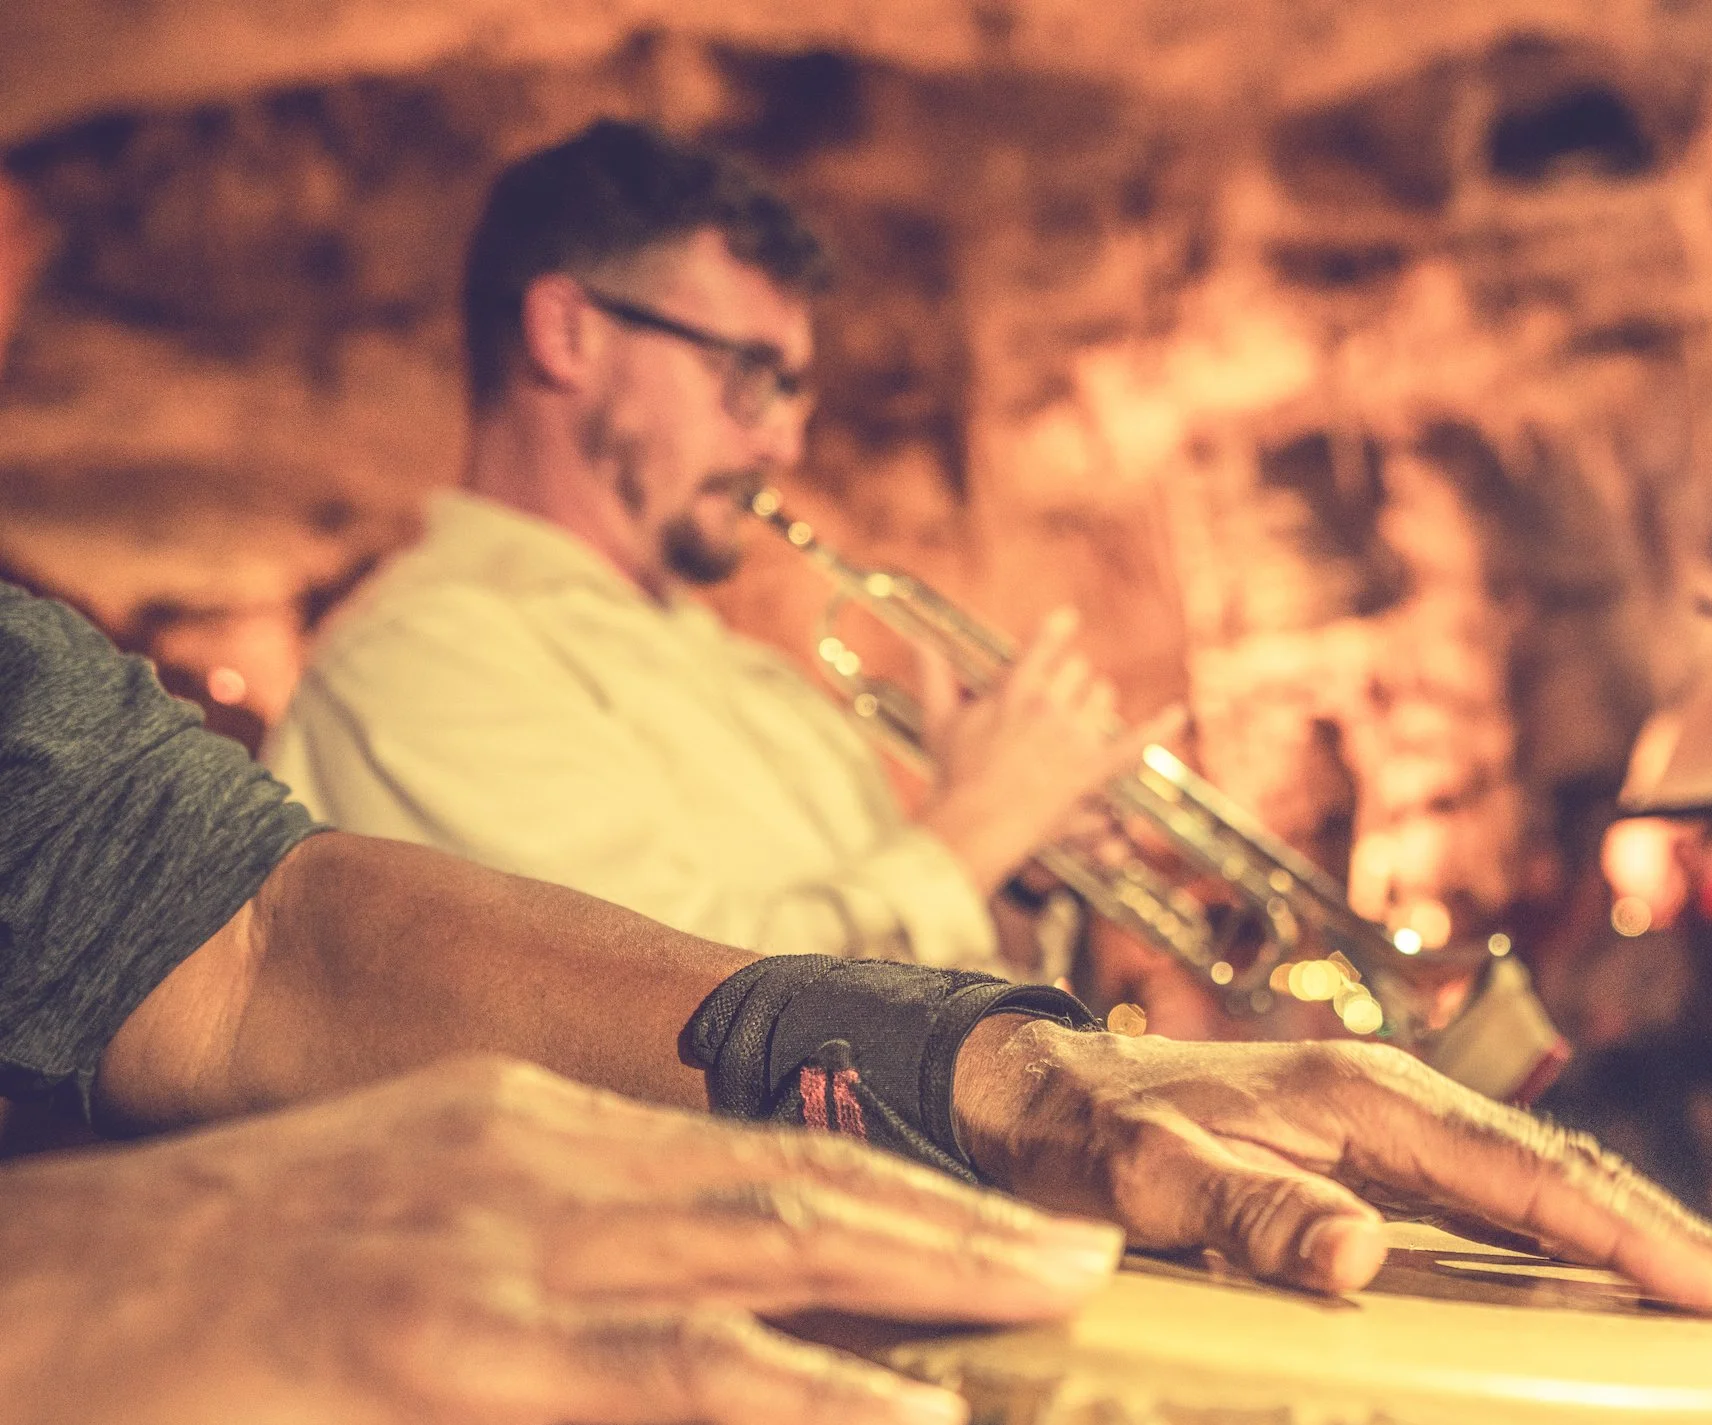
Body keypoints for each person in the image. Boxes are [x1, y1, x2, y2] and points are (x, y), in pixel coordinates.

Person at [0, 579, 1712, 1425]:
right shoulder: (443, 646)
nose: (782, 421)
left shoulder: (744, 667)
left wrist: (997, 1063)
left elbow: (240, 934)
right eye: (747, 366)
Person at [262, 120, 1168, 969]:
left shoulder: (767, 692)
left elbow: (918, 1030)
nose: (783, 445)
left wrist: (1014, 878)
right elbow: (656, 1033)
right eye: (748, 376)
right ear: (565, 333)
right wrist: (971, 829)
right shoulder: (423, 661)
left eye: (793, 392)